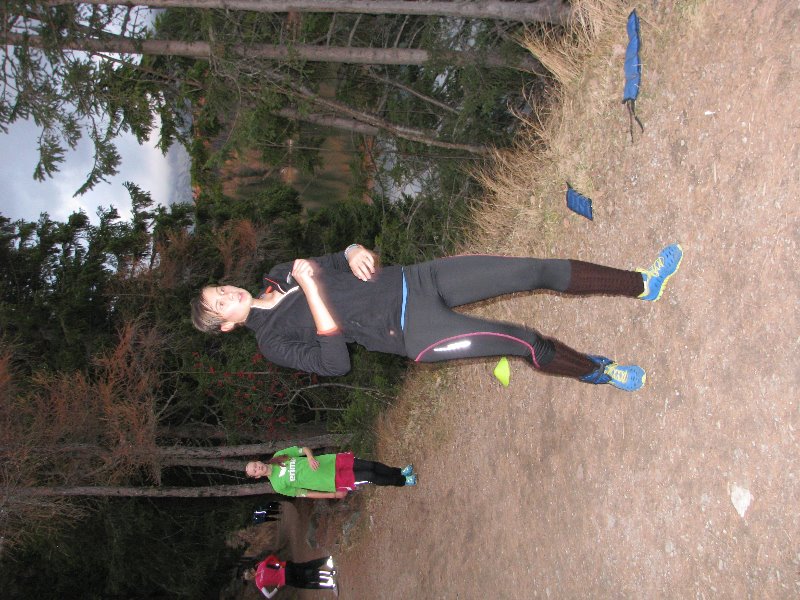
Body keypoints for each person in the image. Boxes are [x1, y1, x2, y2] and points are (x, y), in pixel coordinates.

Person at [191, 243, 684, 392]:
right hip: (415, 332)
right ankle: (600, 371)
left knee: (534, 269)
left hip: (417, 279)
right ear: (227, 325)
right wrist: (315, 291)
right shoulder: (272, 342)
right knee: (526, 342)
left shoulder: (280, 273)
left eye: (221, 289)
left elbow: (339, 262)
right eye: (221, 304)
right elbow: (335, 363)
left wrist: (353, 251)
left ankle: (643, 283)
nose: (229, 294)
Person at [245, 446, 416, 498]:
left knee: (370, 465)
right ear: (257, 476)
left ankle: (400, 472)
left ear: (258, 461)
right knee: (369, 476)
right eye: (255, 471)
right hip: (333, 480)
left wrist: (310, 457)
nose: (258, 468)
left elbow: (303, 449)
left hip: (332, 461)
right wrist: (333, 495)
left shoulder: (278, 456)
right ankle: (403, 481)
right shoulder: (278, 486)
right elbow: (306, 494)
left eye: (255, 465)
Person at [243, 554, 337, 598]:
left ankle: (330, 585)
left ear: (250, 579)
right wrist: (279, 565)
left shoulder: (258, 583)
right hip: (286, 570)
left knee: (306, 583)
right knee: (306, 571)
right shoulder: (261, 566)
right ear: (251, 571)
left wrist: (277, 588)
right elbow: (271, 557)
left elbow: (268, 596)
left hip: (286, 580)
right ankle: (329, 573)